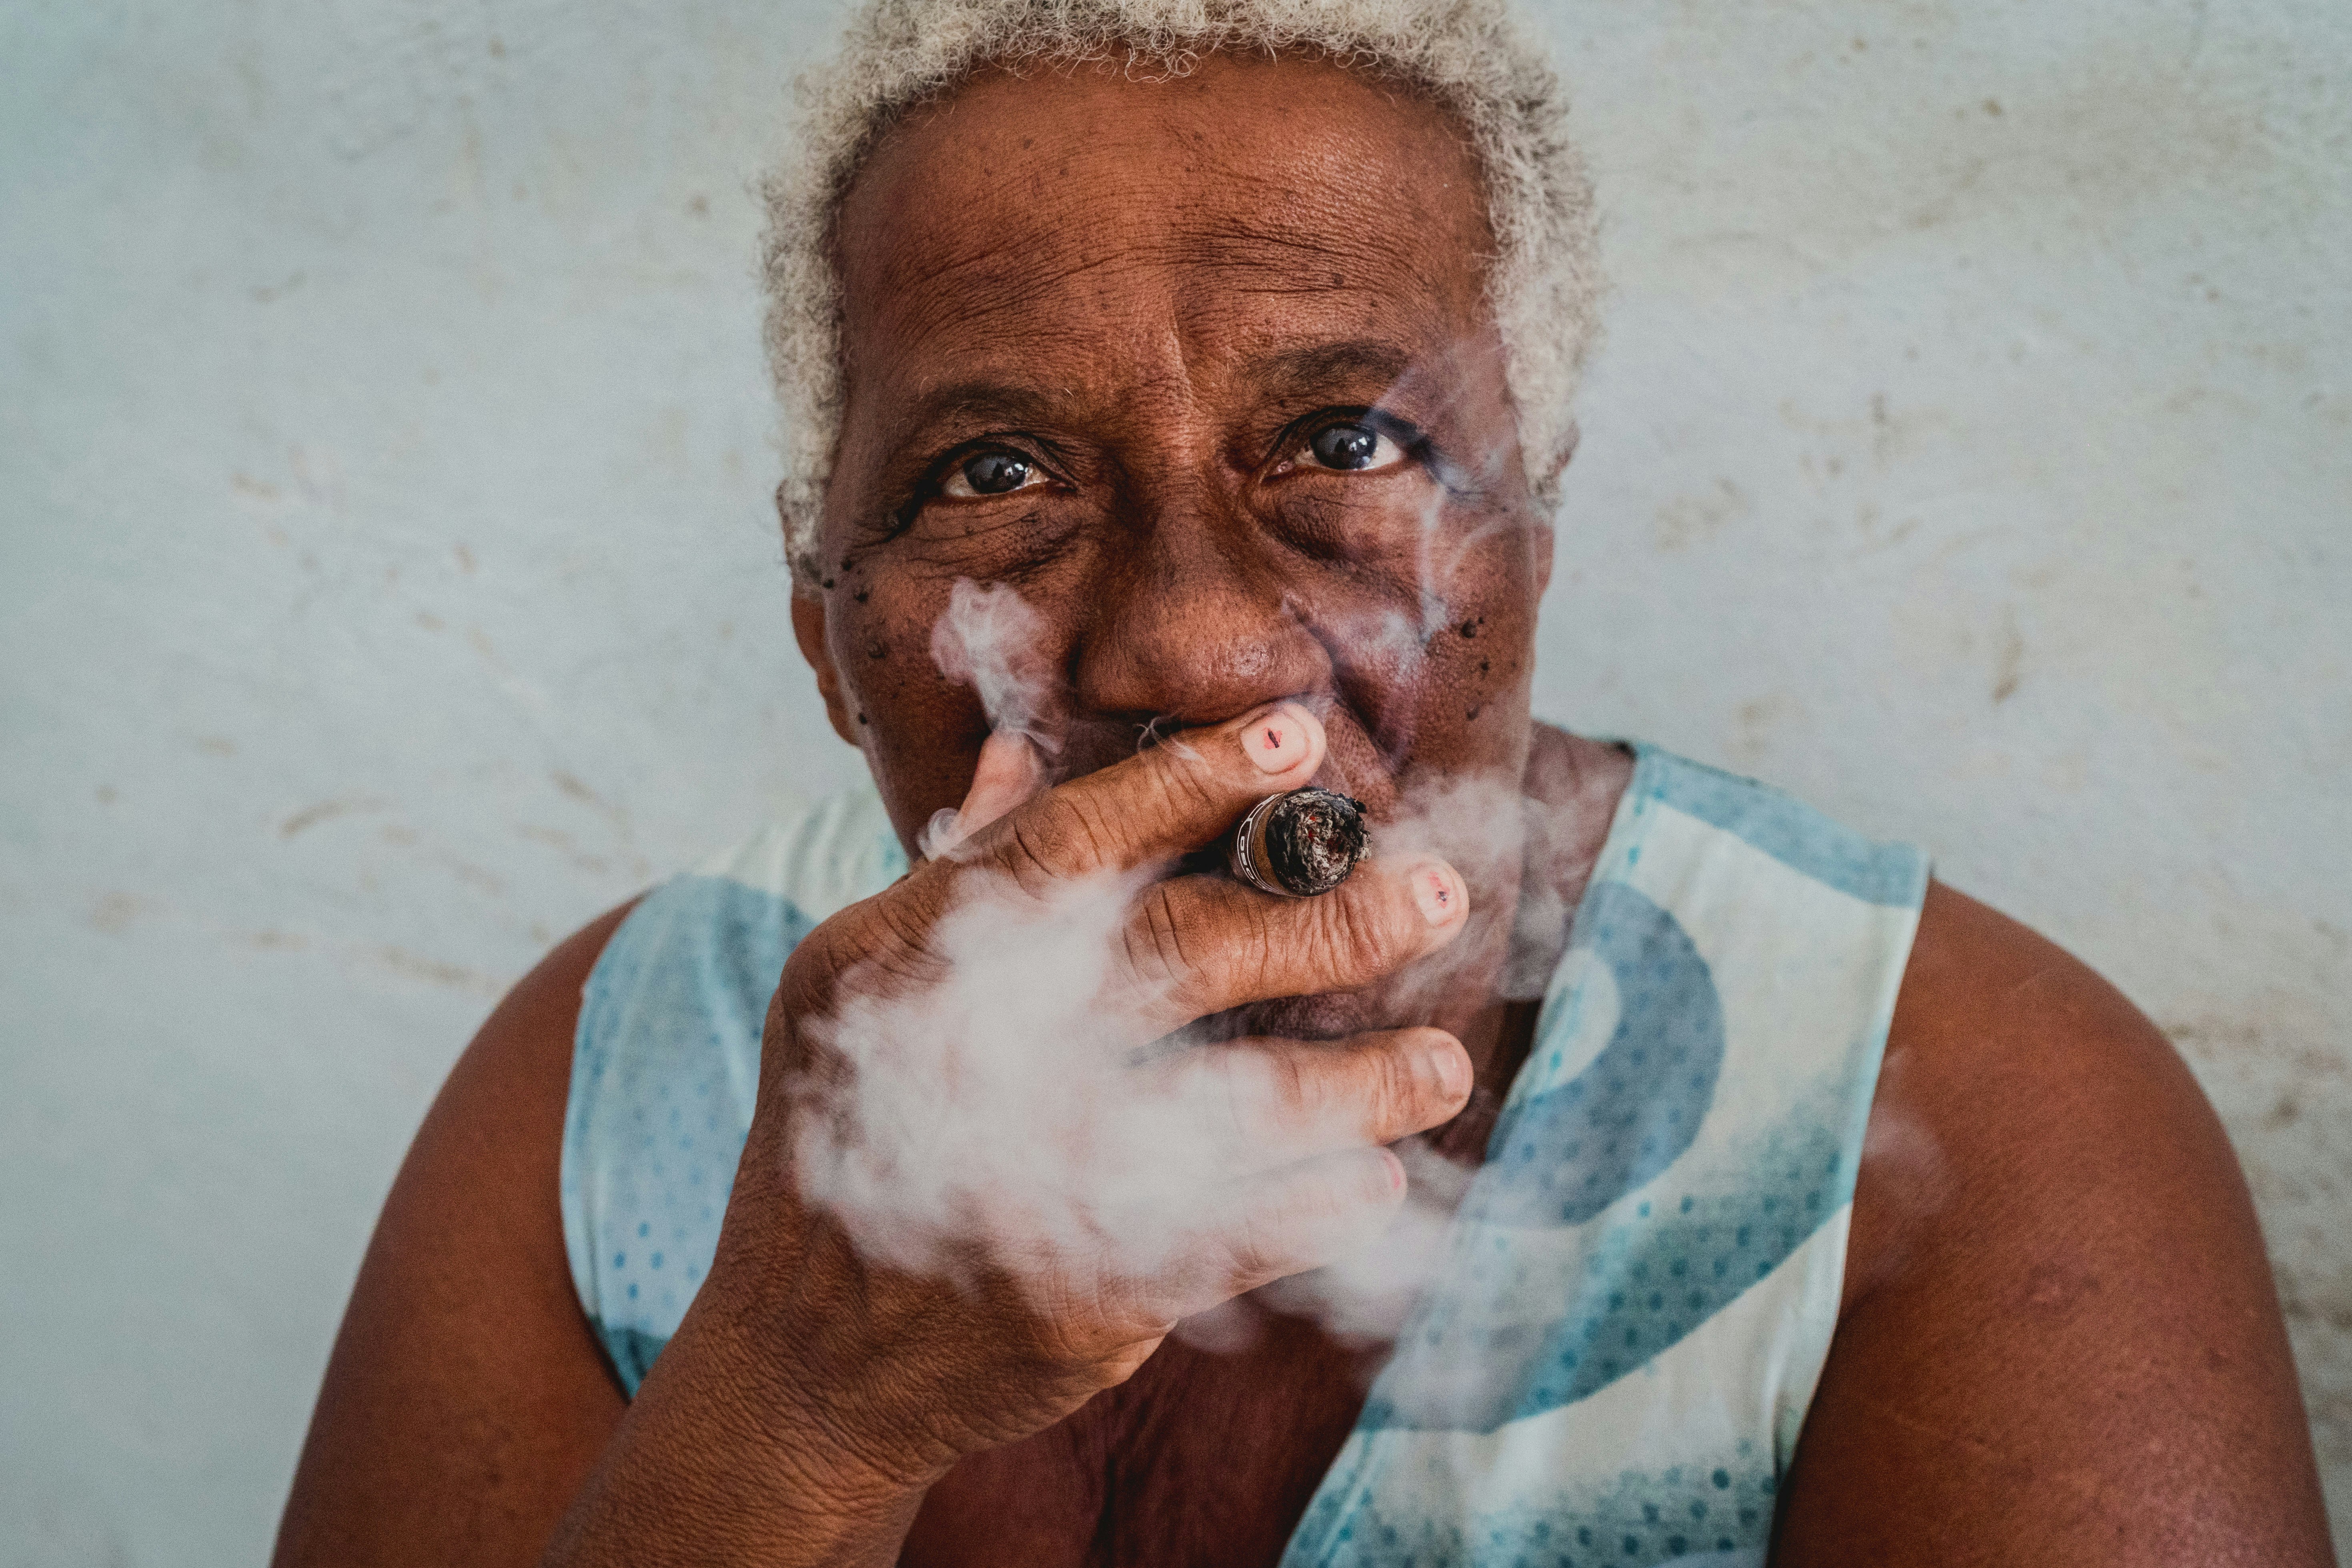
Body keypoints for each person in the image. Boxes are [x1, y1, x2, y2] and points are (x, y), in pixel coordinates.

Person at [271, 0, 2336, 1563]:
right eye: (995, 477)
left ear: (1530, 541)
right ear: (825, 629)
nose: (1194, 649)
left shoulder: (1959, 1121)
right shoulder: (623, 1078)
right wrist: (790, 1416)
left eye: (1345, 441)